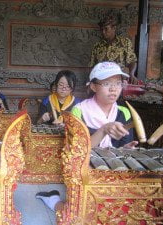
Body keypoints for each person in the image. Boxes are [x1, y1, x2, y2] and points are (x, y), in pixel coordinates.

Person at [36, 61, 139, 212]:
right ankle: (53, 200)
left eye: (118, 83)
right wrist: (103, 130)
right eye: (106, 83)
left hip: (113, 167)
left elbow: (123, 146)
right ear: (93, 86)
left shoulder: (124, 112)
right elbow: (78, 152)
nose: (113, 88)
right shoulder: (79, 111)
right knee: (80, 213)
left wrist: (126, 149)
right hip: (85, 167)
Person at [89, 14, 138, 83]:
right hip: (101, 82)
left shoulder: (125, 42)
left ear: (114, 28)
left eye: (106, 29)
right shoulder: (97, 46)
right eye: (101, 29)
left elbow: (132, 61)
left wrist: (132, 74)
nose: (103, 32)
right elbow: (92, 66)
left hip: (119, 81)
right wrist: (91, 81)